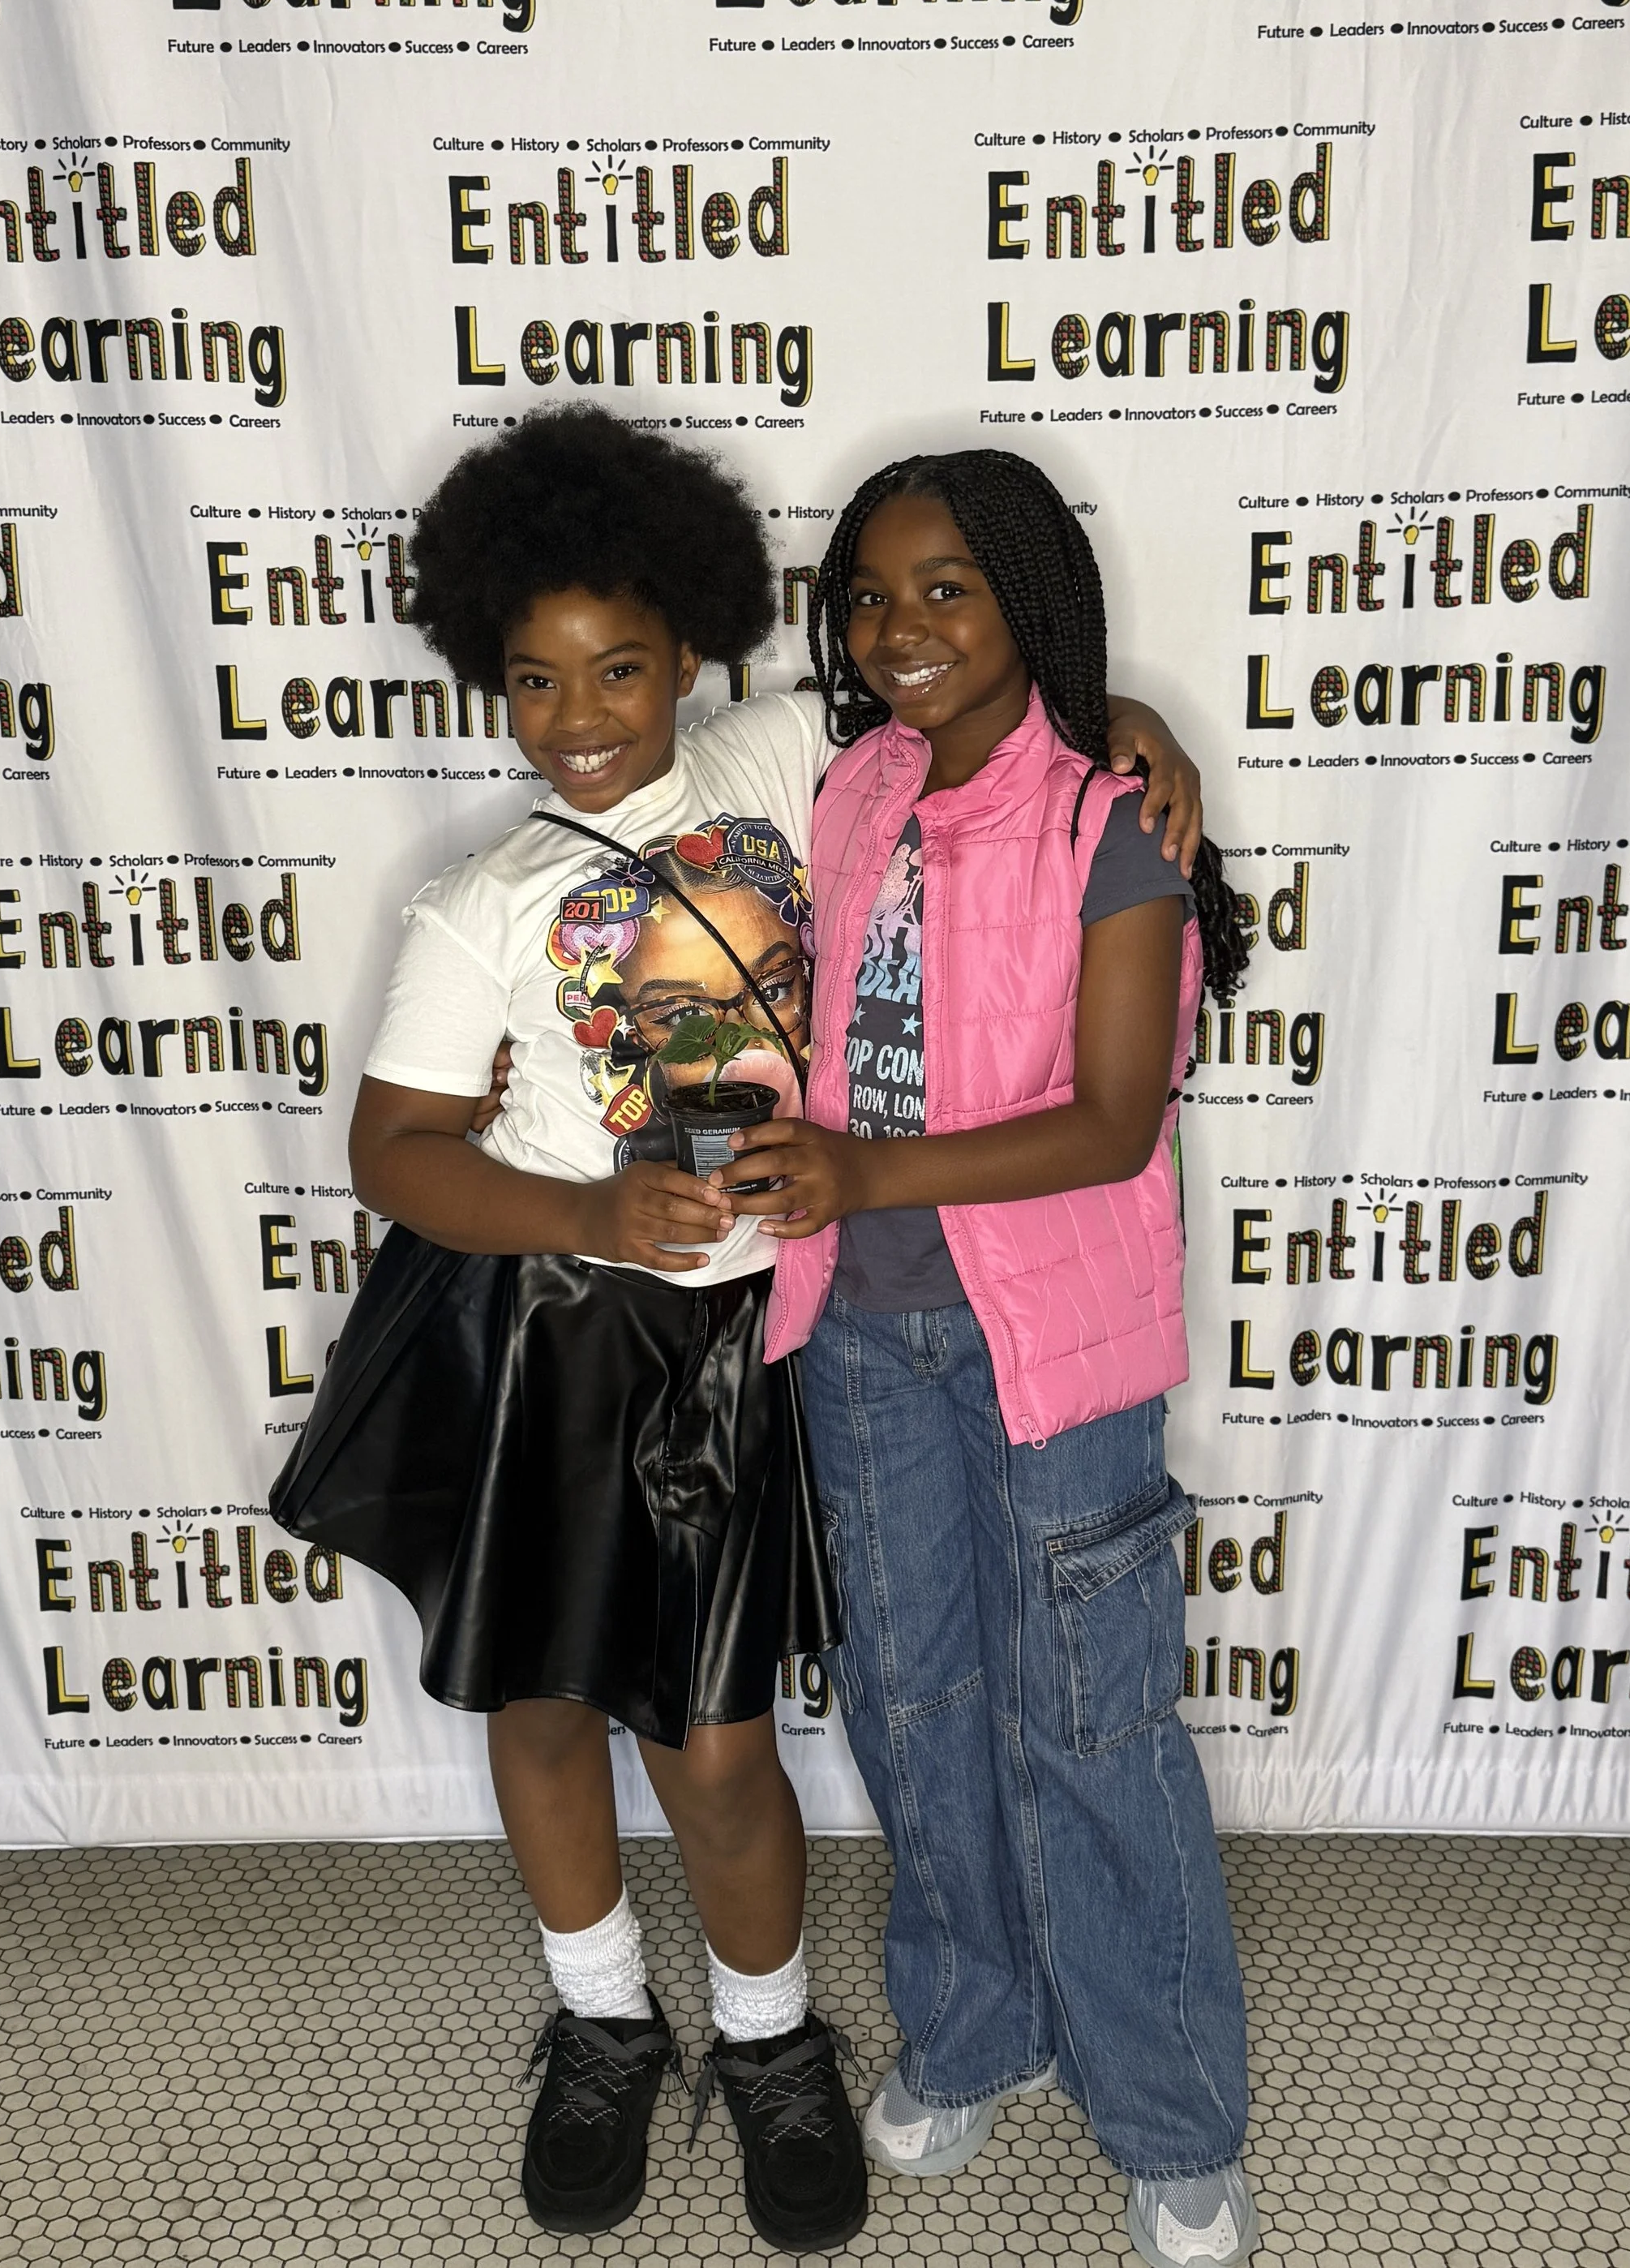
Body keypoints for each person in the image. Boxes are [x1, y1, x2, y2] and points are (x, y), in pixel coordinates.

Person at [283, 409, 1203, 2252]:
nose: (578, 710)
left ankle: (769, 2040)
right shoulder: (478, 901)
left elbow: (983, 720)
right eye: (531, 678)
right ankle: (603, 2015)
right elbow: (392, 1147)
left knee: (715, 1742)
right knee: (539, 1702)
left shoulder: (792, 754)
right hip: (553, 1331)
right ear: (488, 683)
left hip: (747, 1333)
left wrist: (1128, 726)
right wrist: (577, 1212)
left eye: (618, 665)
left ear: (694, 656)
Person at [726, 448, 1261, 2268]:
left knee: (1089, 1719)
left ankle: (1173, 2118)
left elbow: (1111, 1119)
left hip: (1053, 1341)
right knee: (912, 1700)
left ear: (1023, 597)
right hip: (856, 1335)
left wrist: (1114, 719)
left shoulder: (1110, 811)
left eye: (946, 588)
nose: (899, 631)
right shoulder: (851, 784)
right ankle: (976, 2030)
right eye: (869, 596)